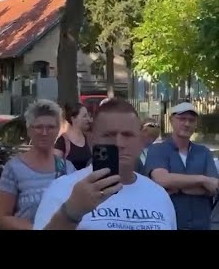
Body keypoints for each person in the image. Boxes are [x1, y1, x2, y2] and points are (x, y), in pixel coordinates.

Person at [34, 98, 177, 230]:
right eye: (109, 135)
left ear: (140, 141)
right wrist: (70, 214)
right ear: (93, 141)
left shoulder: (159, 195)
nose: (119, 143)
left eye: (127, 135)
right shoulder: (63, 189)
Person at [0, 100, 75, 230]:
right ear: (29, 130)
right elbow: (0, 216)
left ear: (58, 130)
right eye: (38, 127)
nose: (44, 132)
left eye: (50, 127)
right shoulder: (14, 168)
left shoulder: (67, 168)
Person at [144, 102, 219, 230]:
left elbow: (213, 187)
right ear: (171, 120)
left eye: (191, 120)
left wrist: (177, 189)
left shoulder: (204, 152)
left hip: (201, 224)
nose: (187, 124)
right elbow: (162, 179)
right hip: (168, 223)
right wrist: (202, 179)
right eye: (182, 119)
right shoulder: (158, 150)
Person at [54, 103, 92, 170]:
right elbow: (57, 169)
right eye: (84, 116)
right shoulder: (62, 141)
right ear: (73, 119)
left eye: (88, 116)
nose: (88, 119)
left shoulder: (89, 139)